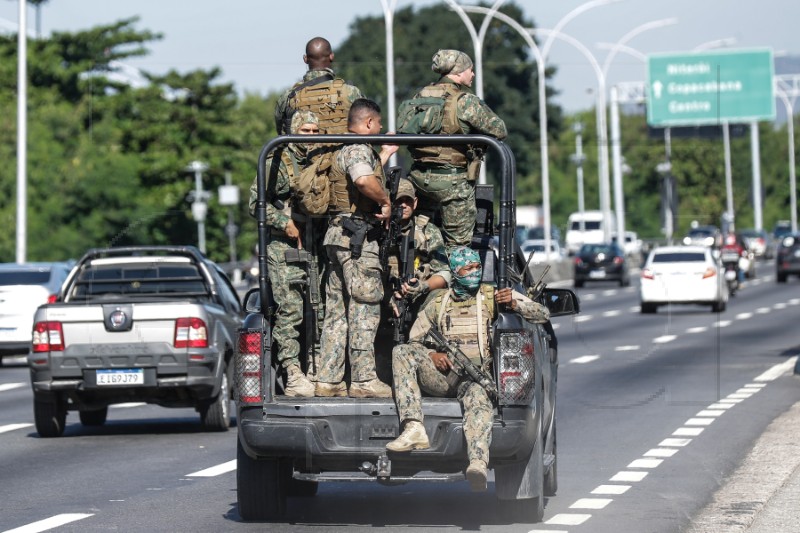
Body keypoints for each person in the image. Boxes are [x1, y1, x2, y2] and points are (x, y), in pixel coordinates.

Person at [386, 246, 550, 491]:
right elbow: (413, 342)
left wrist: (514, 304)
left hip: (474, 380)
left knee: (479, 400)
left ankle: (477, 463)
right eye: (468, 268)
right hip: (442, 377)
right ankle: (413, 427)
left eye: (477, 267)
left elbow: (542, 314)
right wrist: (432, 355)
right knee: (401, 352)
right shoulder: (438, 303)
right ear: (455, 272)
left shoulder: (492, 297)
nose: (474, 272)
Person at [314, 98, 399, 398]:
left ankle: (328, 379)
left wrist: (385, 154)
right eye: (378, 124)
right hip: (358, 241)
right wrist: (386, 201)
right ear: (367, 123)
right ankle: (363, 381)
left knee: (336, 312)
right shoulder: (358, 149)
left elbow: (357, 182)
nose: (380, 128)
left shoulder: (341, 148)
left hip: (338, 237)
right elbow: (363, 181)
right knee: (364, 307)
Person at [248, 110, 321, 397]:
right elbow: (256, 204)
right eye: (305, 131)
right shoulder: (276, 163)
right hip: (283, 248)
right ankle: (292, 373)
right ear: (293, 132)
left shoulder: (319, 161)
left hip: (315, 245)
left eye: (316, 131)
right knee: (288, 310)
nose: (311, 137)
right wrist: (285, 223)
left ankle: (316, 369)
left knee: (318, 311)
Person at [404, 49, 507, 250]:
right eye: (471, 70)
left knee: (417, 235)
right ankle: (455, 279)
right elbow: (500, 130)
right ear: (459, 73)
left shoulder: (420, 96)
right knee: (458, 245)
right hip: (453, 182)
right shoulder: (465, 100)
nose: (473, 74)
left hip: (419, 179)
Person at [274, 36, 365, 135]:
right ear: (331, 56)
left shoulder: (288, 97)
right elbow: (365, 125)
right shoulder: (351, 92)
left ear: (305, 59)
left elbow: (281, 133)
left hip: (303, 151)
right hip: (345, 150)